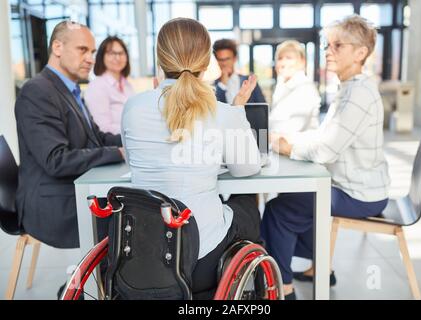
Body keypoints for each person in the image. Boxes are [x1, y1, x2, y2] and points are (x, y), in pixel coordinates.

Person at [121, 18, 262, 299]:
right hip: (203, 257)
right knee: (247, 202)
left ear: (160, 59)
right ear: (206, 60)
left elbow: (132, 159)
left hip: (142, 251)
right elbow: (247, 169)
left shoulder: (133, 107)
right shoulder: (222, 112)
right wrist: (236, 112)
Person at [262, 15, 391, 300]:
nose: (328, 51)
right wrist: (291, 142)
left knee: (278, 211)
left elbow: (325, 149)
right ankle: (316, 264)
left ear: (360, 53)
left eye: (338, 45)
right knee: (293, 202)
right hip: (351, 185)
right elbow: (323, 137)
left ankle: (283, 288)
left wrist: (287, 147)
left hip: (359, 193)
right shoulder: (349, 88)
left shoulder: (358, 93)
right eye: (327, 45)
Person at [15, 21, 125, 250]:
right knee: (132, 217)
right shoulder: (37, 91)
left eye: (93, 52)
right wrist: (117, 153)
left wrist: (135, 140)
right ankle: (99, 285)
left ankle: (108, 283)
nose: (91, 59)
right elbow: (57, 160)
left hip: (69, 190)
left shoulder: (70, 89)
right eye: (82, 50)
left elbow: (99, 138)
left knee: (135, 204)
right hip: (53, 205)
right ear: (57, 47)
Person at [84, 36, 135, 134]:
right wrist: (135, 131)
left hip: (131, 140)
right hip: (113, 145)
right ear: (101, 56)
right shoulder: (97, 86)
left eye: (121, 53)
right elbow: (103, 128)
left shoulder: (128, 85)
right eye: (111, 53)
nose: (117, 57)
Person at [270, 40, 321, 134]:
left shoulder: (305, 89)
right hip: (278, 145)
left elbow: (292, 128)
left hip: (297, 147)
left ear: (302, 61)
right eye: (280, 58)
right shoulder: (282, 86)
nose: (283, 63)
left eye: (289, 58)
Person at [212, 38, 266, 104]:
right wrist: (222, 84)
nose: (224, 63)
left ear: (235, 59)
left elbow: (262, 106)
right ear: (216, 60)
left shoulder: (249, 81)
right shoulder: (213, 86)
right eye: (220, 59)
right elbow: (215, 109)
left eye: (227, 59)